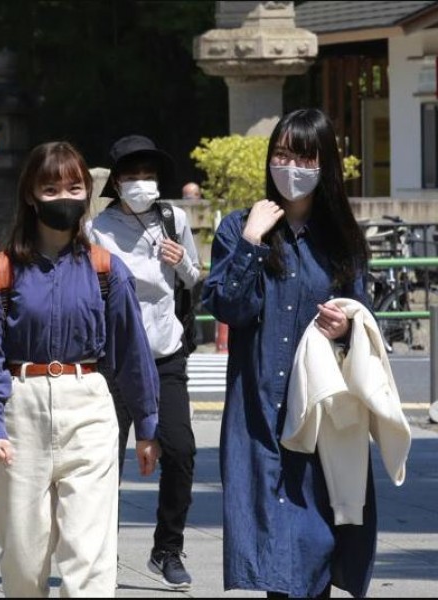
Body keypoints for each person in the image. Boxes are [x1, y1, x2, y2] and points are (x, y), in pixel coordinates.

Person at [0, 141, 161, 597]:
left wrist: (148, 425)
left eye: (74, 187)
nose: (65, 197)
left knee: (89, 553)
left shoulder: (106, 269)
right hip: (20, 410)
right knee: (23, 559)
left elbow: (132, 353)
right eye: (51, 188)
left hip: (87, 402)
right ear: (30, 195)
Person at [201, 108, 374, 598]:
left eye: (303, 156)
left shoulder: (340, 239)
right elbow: (229, 308)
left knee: (316, 537)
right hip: (257, 411)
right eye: (281, 154)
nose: (290, 166)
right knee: (275, 539)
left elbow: (362, 320)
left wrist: (345, 327)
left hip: (321, 412)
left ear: (325, 165)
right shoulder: (239, 229)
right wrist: (253, 241)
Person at [90, 134, 201, 590]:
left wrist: (182, 265)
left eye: (148, 175)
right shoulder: (98, 229)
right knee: (103, 462)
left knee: (181, 451)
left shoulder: (174, 219)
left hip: (164, 354)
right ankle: (100, 552)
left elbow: (197, 280)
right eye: (132, 176)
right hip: (114, 361)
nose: (141, 183)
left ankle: (167, 549)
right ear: (116, 181)